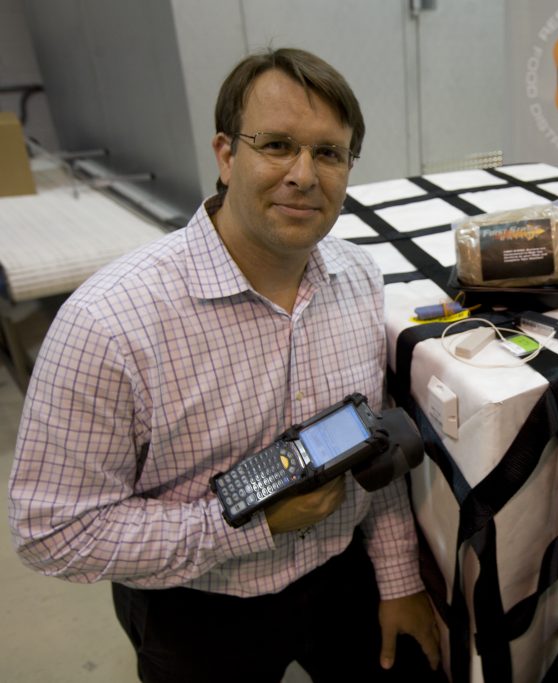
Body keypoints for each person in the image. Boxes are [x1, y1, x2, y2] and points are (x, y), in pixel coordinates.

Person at [8, 48, 442, 682]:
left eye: (328, 153)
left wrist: (400, 579)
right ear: (225, 154)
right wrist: (244, 525)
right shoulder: (109, 325)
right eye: (276, 145)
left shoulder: (358, 278)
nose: (303, 174)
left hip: (341, 572)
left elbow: (372, 447)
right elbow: (54, 532)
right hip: (196, 604)